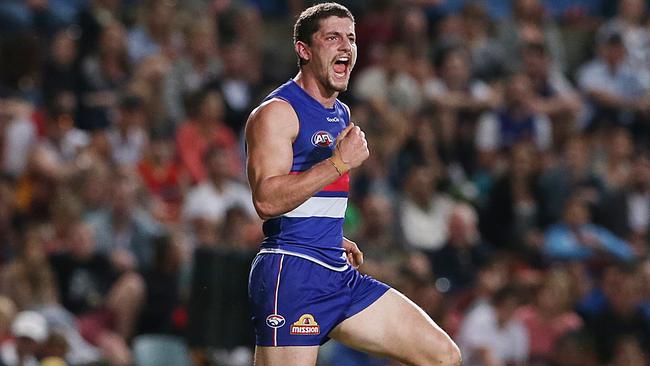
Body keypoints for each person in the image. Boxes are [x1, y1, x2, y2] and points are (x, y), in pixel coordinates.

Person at [244, 3, 461, 366]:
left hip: (337, 272)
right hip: (293, 274)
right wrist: (338, 162)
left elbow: (306, 196)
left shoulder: (339, 111)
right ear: (304, 50)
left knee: (443, 356)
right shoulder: (277, 112)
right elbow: (266, 200)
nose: (346, 47)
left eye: (351, 38)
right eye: (332, 38)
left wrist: (329, 232)